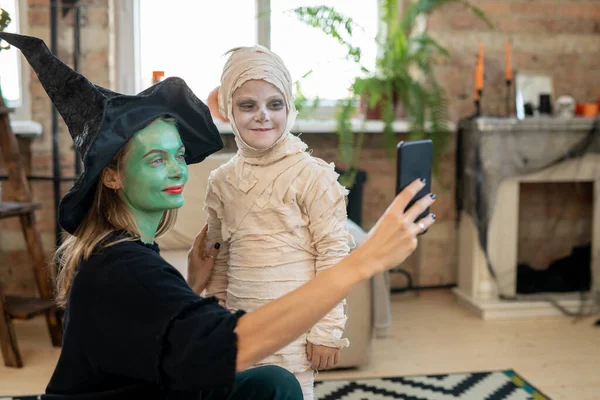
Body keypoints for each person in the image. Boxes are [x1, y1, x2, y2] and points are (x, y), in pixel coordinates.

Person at [0, 32, 436, 400]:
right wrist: (369, 257)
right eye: (155, 159)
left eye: (178, 155)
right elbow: (229, 345)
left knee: (272, 382)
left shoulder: (129, 251)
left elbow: (156, 328)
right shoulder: (122, 267)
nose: (176, 169)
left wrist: (191, 283)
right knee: (271, 381)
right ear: (111, 176)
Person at [198, 45, 353, 399]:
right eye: (247, 105)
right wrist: (218, 321)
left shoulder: (313, 176)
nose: (262, 116)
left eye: (275, 104)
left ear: (290, 107)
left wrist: (326, 331)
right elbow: (219, 256)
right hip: (242, 328)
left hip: (295, 332)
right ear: (228, 111)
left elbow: (333, 257)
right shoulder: (221, 180)